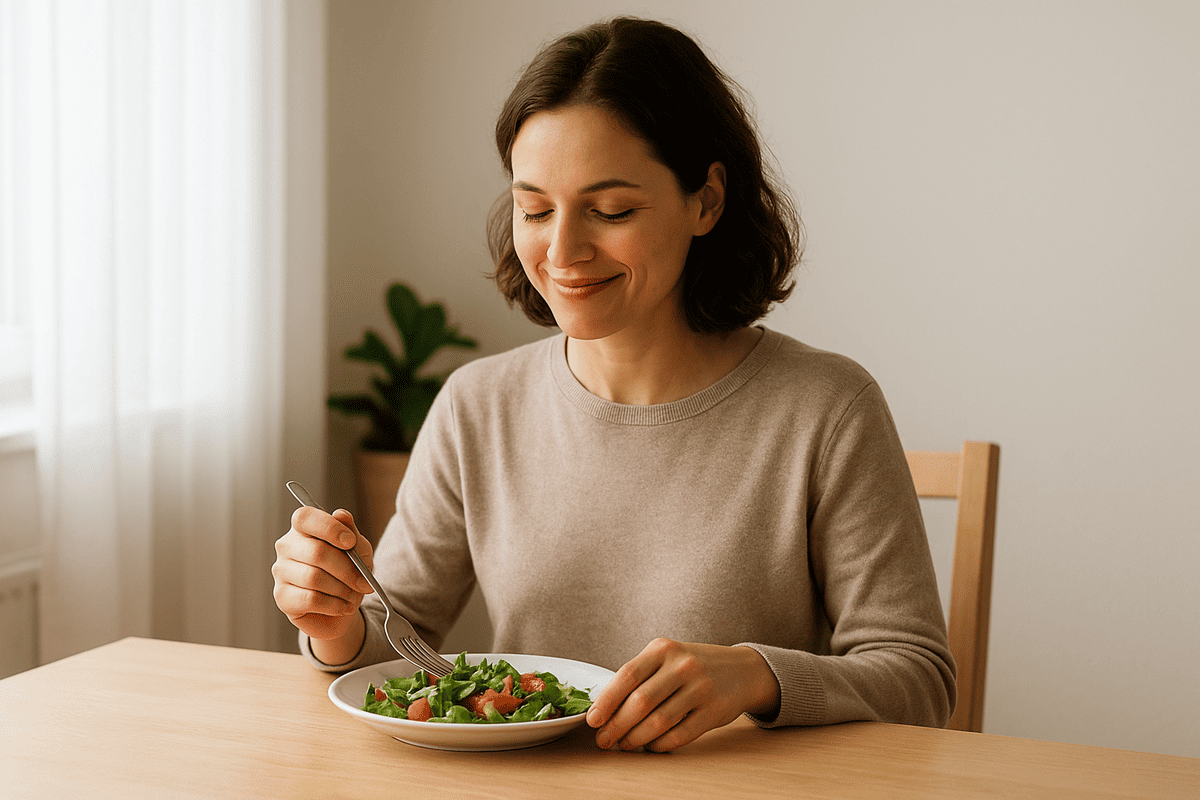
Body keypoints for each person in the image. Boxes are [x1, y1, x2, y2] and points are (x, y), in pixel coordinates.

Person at [272, 17, 955, 753]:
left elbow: (919, 680)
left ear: (707, 201)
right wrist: (336, 623)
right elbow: (396, 649)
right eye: (534, 209)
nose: (561, 251)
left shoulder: (828, 408)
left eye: (611, 211)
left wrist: (756, 675)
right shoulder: (478, 406)